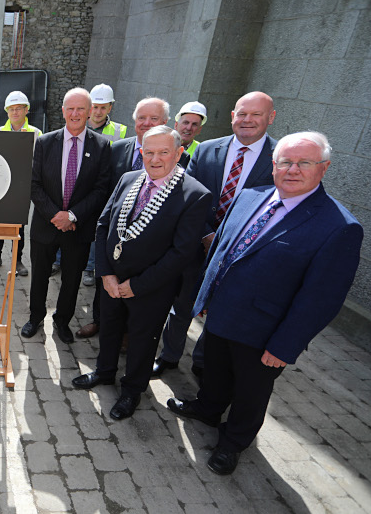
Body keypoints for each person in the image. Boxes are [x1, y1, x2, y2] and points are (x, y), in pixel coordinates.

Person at [167, 131, 362, 475]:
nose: (293, 169)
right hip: (220, 315)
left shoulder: (338, 226)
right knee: (214, 370)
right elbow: (221, 251)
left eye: (305, 162)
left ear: (324, 168)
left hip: (264, 332)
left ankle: (234, 441)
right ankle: (208, 408)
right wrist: (206, 297)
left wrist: (285, 346)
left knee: (250, 392)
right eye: (285, 161)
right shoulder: (249, 196)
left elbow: (321, 298)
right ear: (273, 166)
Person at [70, 126, 210, 420]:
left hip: (151, 289)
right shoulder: (128, 179)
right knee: (108, 328)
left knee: (142, 341)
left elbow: (181, 253)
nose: (155, 159)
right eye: (149, 152)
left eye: (163, 152)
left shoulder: (194, 195)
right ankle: (105, 372)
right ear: (140, 152)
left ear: (179, 153)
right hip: (112, 282)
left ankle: (132, 390)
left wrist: (138, 285)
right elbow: (104, 224)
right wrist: (106, 274)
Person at [153, 92, 277, 381]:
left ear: (270, 118)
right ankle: (170, 356)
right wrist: (207, 233)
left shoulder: (279, 158)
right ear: (233, 116)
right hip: (197, 244)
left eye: (256, 115)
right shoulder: (207, 150)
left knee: (221, 311)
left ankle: (204, 362)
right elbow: (187, 195)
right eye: (242, 114)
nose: (247, 120)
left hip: (242, 256)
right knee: (182, 305)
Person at [21, 87, 111, 344]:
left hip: (78, 228)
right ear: (62, 111)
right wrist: (56, 215)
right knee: (39, 275)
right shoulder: (45, 142)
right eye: (70, 108)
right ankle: (35, 316)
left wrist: (71, 216)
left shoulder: (102, 146)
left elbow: (101, 188)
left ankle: (62, 321)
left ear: (90, 111)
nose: (75, 113)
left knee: (72, 279)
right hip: (45, 224)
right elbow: (34, 184)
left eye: (81, 108)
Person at [76, 97, 170, 340]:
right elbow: (104, 188)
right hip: (113, 234)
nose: (146, 123)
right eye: (141, 118)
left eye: (154, 119)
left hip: (148, 240)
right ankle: (99, 321)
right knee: (104, 281)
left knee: (137, 286)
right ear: (134, 120)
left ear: (165, 122)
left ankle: (128, 332)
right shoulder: (117, 148)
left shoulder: (173, 159)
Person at [0, 91, 42, 277]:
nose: (15, 113)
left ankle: (17, 260)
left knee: (19, 226)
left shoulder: (36, 134)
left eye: (19, 109)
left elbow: (39, 163)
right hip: (0, 187)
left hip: (22, 188)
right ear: (7, 112)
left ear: (26, 110)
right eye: (12, 109)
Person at [77, 83, 129, 287]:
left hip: (103, 188)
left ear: (110, 108)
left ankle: (89, 268)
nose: (98, 112)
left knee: (96, 229)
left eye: (103, 107)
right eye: (95, 106)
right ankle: (59, 261)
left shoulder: (119, 131)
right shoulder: (78, 123)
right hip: (78, 185)